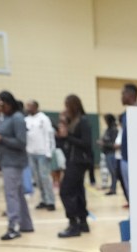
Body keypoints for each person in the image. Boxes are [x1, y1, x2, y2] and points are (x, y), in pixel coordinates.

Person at [0, 90, 34, 240]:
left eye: (1, 104)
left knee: (11, 194)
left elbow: (21, 143)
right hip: (6, 160)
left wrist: (0, 139)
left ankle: (13, 226)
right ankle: (26, 224)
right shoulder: (3, 118)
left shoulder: (17, 118)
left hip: (14, 162)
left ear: (9, 102)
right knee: (18, 194)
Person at [56, 94, 92, 237]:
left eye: (67, 106)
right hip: (72, 161)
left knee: (65, 191)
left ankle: (73, 223)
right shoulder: (73, 122)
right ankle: (82, 222)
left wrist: (67, 137)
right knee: (77, 192)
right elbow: (64, 143)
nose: (65, 109)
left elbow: (86, 143)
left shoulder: (83, 122)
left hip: (78, 162)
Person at [25, 100, 56, 211]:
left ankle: (51, 201)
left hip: (43, 153)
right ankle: (43, 199)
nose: (27, 108)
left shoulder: (44, 119)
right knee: (37, 179)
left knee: (45, 178)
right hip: (31, 153)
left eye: (29, 106)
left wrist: (49, 151)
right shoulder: (26, 120)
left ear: (36, 107)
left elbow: (49, 135)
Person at [119, 83, 137, 205]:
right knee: (129, 193)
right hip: (125, 158)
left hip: (133, 161)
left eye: (123, 94)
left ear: (130, 95)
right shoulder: (125, 114)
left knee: (136, 193)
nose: (121, 97)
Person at [98, 113, 118, 195]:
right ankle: (111, 188)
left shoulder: (114, 130)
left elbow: (114, 144)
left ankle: (113, 189)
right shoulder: (108, 129)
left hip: (111, 153)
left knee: (113, 172)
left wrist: (104, 144)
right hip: (106, 153)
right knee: (109, 171)